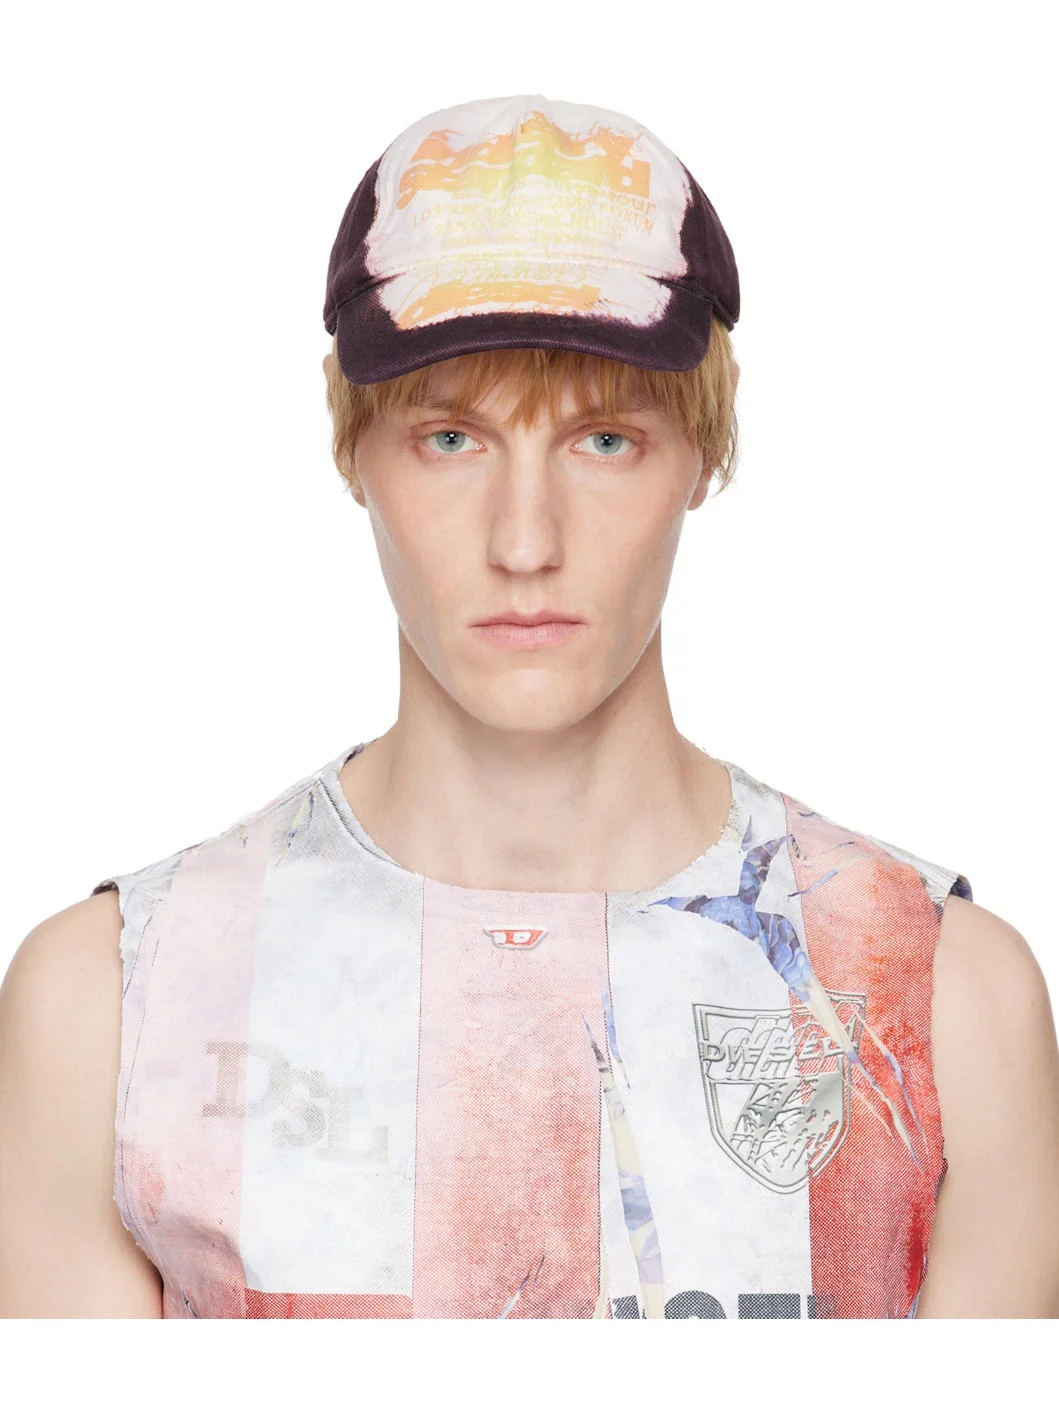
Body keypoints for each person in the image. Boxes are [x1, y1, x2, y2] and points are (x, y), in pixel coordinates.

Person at [2, 94, 1058, 1320]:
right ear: (353, 452)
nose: (524, 541)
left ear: (705, 452)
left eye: (604, 440)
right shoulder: (109, 1007)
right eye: (451, 438)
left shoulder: (943, 999)